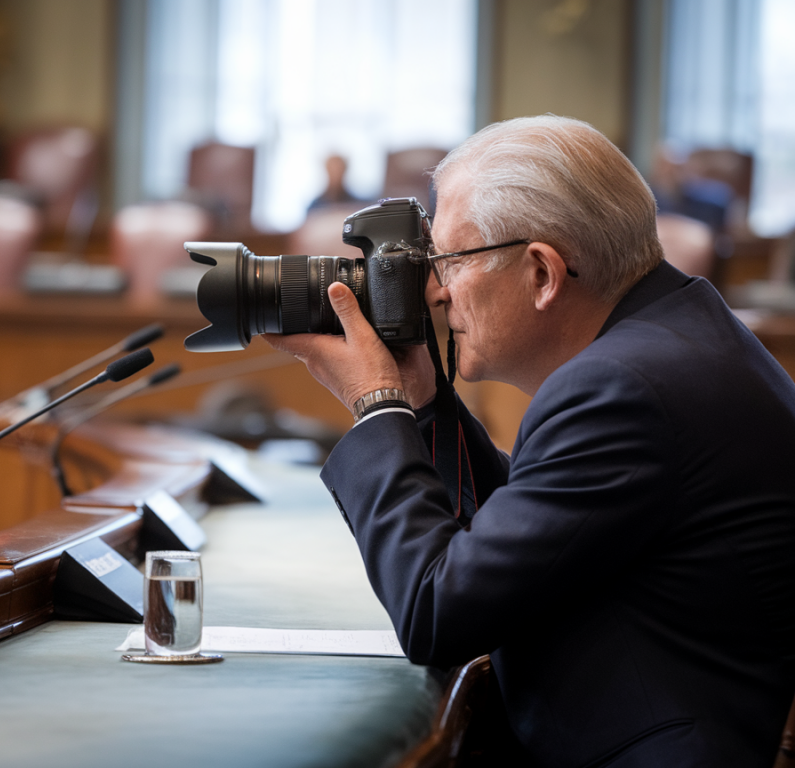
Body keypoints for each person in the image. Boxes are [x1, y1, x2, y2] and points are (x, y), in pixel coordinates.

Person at [265, 115, 795, 768]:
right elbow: (540, 522)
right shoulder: (679, 332)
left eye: (450, 260)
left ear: (542, 273)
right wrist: (425, 404)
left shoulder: (621, 385)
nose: (434, 289)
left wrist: (377, 406)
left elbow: (438, 614)